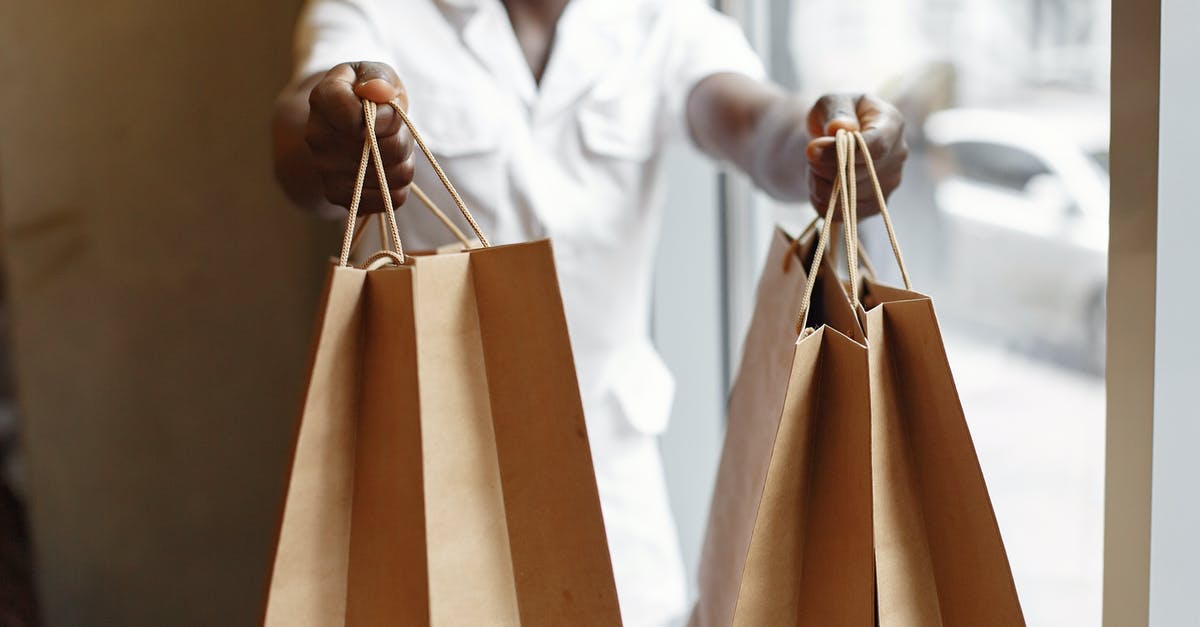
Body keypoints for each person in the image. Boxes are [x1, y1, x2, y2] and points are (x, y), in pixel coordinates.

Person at [272, 0, 907, 624]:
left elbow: (753, 122)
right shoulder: (379, 12)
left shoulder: (658, 20)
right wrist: (333, 133)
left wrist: (828, 140)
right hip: (428, 479)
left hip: (613, 490)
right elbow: (302, 132)